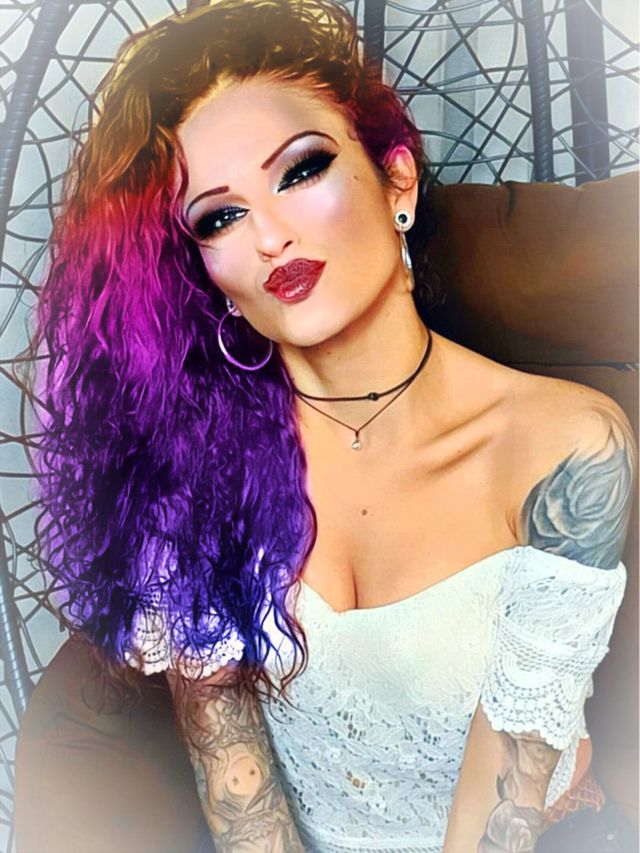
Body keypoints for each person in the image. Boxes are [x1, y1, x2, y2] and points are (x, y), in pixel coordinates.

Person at [27, 0, 637, 851]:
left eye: (301, 170)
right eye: (220, 216)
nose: (271, 236)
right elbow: (243, 802)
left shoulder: (567, 449)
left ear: (397, 181)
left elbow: (503, 818)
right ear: (203, 271)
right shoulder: (194, 469)